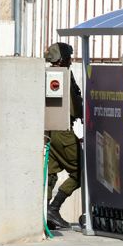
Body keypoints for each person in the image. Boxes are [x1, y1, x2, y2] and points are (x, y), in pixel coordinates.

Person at [44, 41, 84, 230]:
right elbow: (75, 107)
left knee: (50, 173)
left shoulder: (48, 74)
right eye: (69, 57)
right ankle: (53, 208)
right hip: (62, 131)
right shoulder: (63, 77)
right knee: (82, 172)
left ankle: (44, 213)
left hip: (49, 131)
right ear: (64, 59)